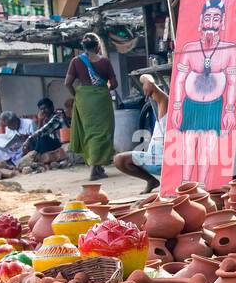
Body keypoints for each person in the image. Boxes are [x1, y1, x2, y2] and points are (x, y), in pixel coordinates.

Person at [169, 0, 236, 185]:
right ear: (201, 21)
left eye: (216, 19)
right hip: (190, 105)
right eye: (207, 18)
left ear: (222, 22)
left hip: (214, 106)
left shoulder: (231, 49)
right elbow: (179, 80)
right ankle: (185, 187)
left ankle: (202, 190)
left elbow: (233, 82)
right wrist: (177, 106)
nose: (211, 23)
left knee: (206, 149)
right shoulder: (190, 48)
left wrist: (229, 110)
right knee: (188, 147)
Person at [65, 32, 118, 181]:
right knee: (103, 132)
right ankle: (95, 168)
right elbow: (114, 84)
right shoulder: (105, 62)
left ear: (83, 46)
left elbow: (67, 83)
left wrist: (77, 95)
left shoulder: (76, 61)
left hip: (84, 99)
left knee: (89, 132)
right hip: (101, 99)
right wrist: (104, 87)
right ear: (97, 46)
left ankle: (98, 166)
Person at [112, 74, 167, 193]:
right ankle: (152, 181)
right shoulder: (166, 106)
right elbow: (145, 78)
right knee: (119, 160)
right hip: (155, 160)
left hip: (172, 163)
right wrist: (149, 81)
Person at [16, 98, 69, 170]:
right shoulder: (46, 119)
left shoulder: (58, 115)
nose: (43, 111)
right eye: (41, 109)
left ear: (51, 107)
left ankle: (33, 157)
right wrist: (40, 120)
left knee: (41, 139)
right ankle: (36, 158)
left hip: (61, 143)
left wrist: (29, 139)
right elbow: (39, 132)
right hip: (51, 143)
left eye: (45, 108)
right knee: (35, 140)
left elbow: (43, 131)